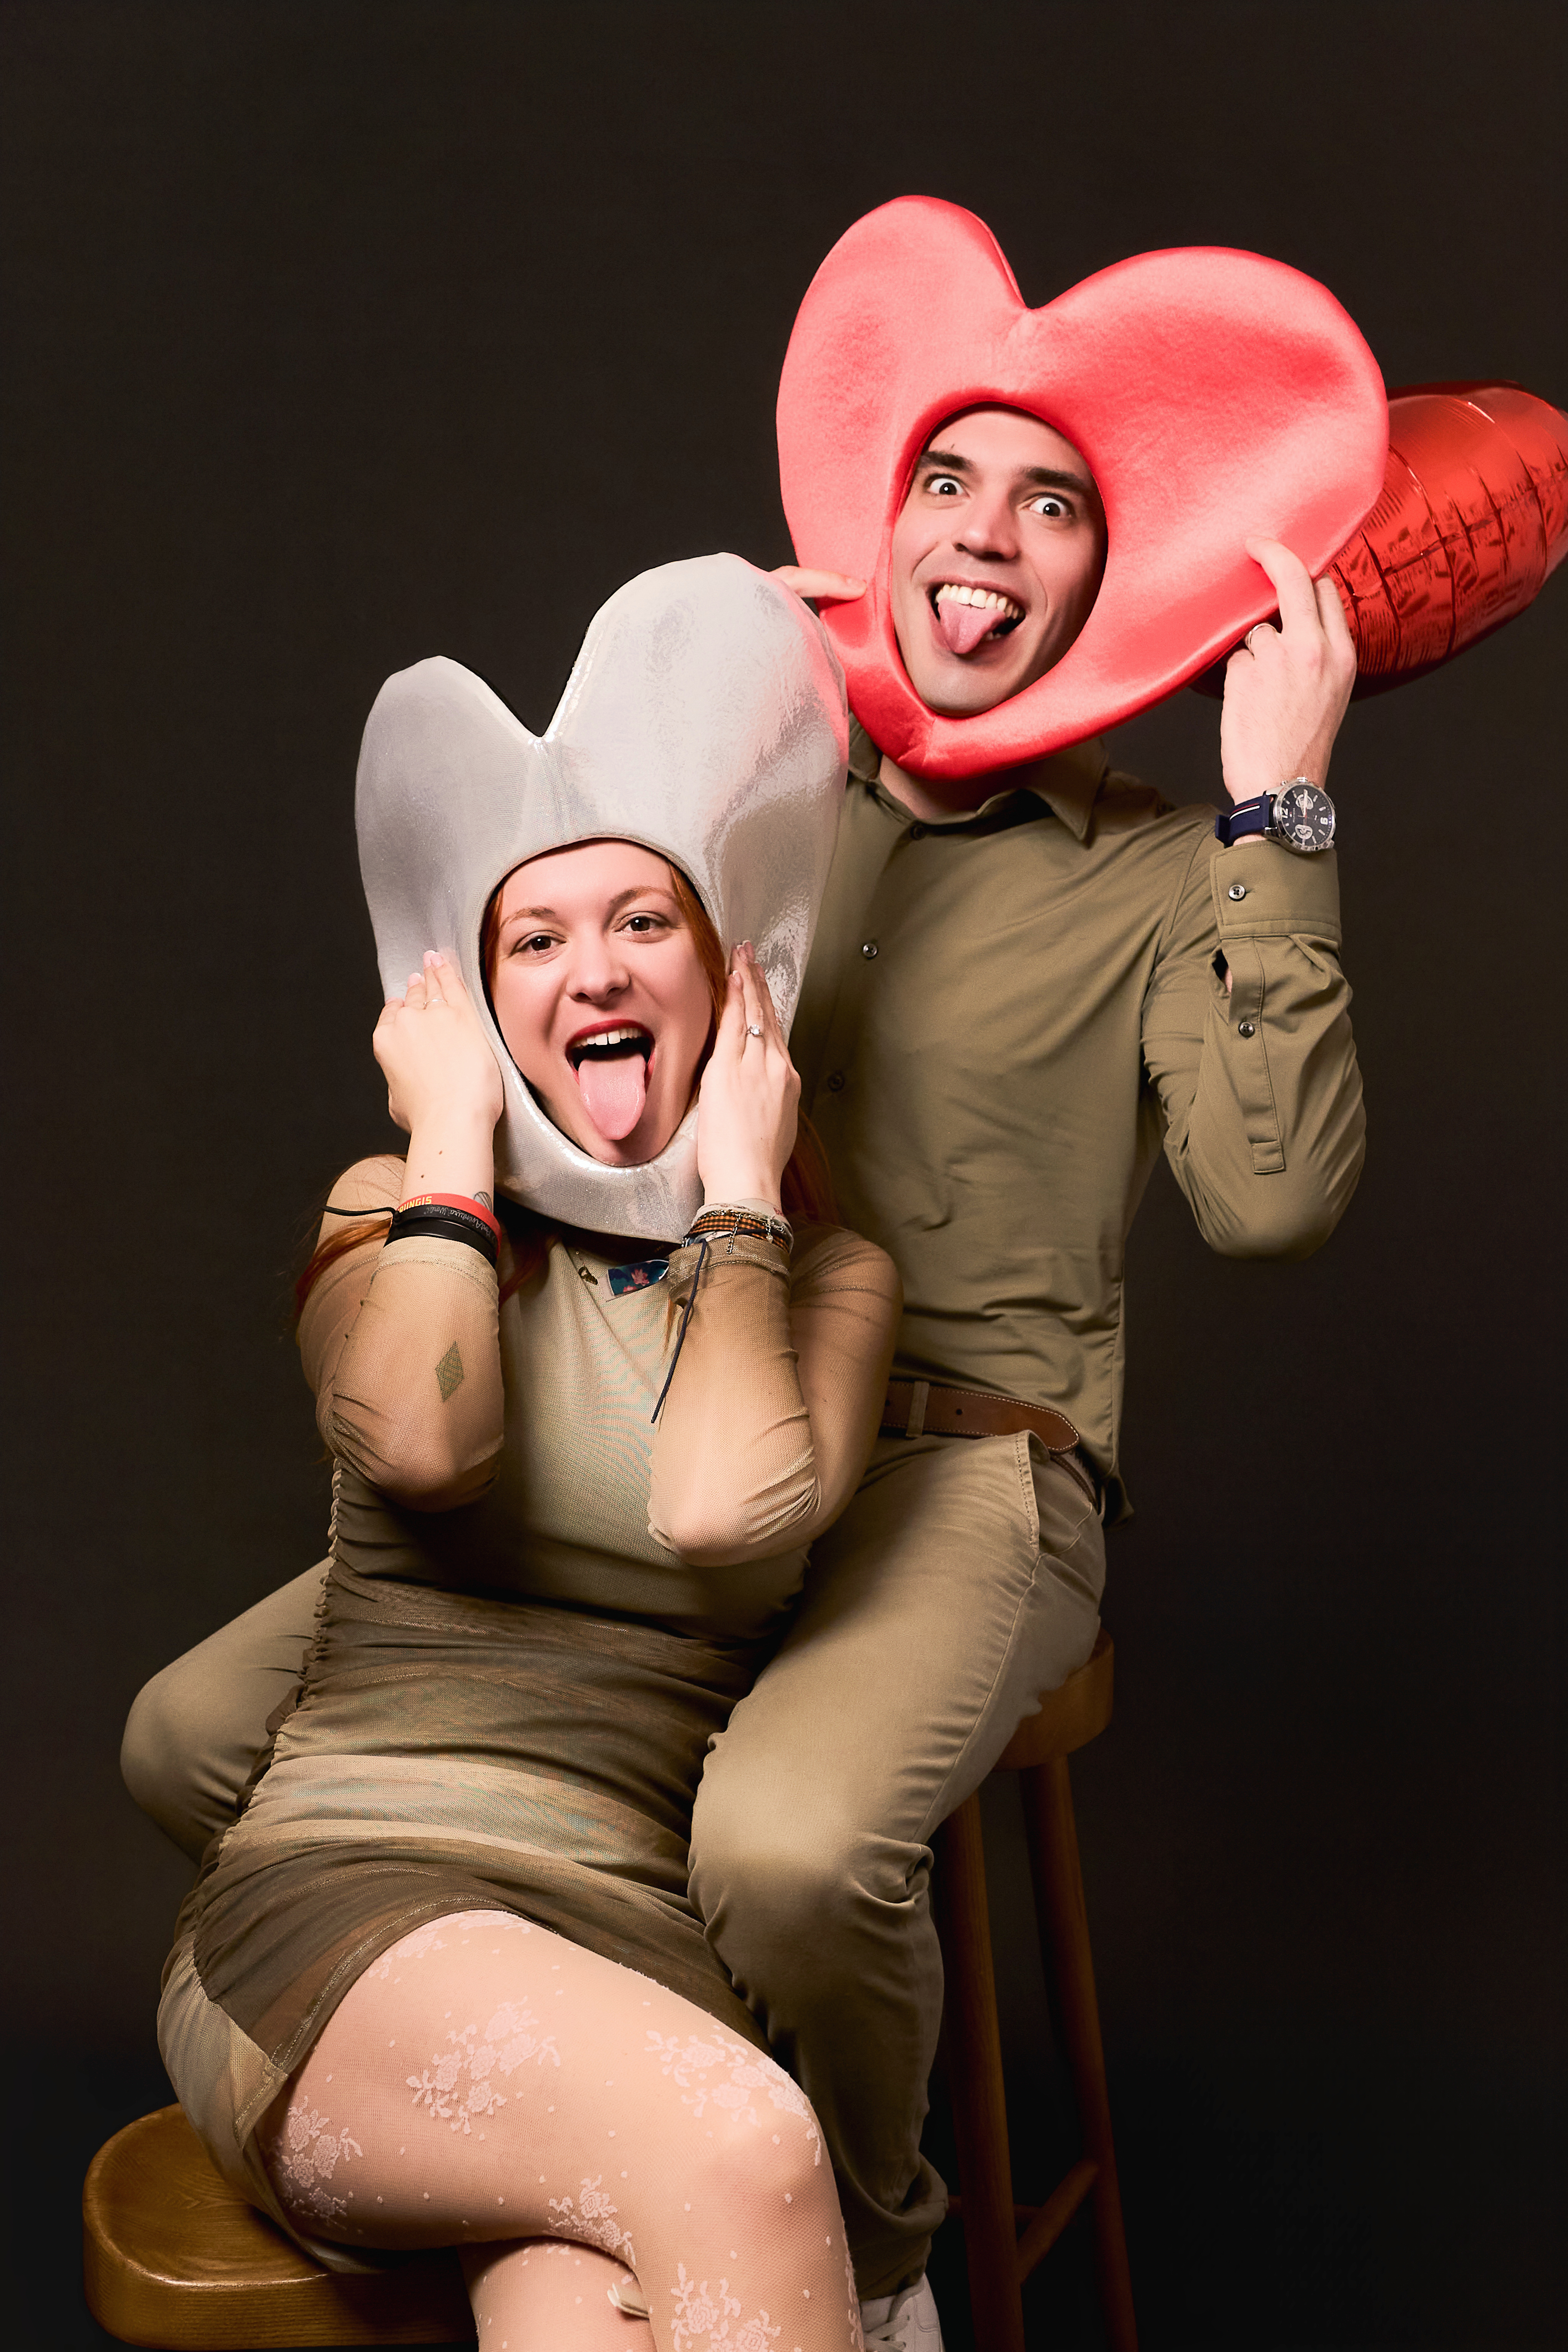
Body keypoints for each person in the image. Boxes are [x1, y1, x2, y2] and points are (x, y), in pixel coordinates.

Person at [128, 203, 1390, 2347]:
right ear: (879, 525)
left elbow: (1273, 1201)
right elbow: (569, 948)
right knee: (189, 1730)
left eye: (1053, 503)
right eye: (944, 484)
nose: (984, 537)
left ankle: (867, 2253)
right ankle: (482, 2074)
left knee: (789, 1848)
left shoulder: (1172, 871)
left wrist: (1283, 818)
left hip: (947, 1454)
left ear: (1118, 570)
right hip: (639, 1384)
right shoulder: (750, 812)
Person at [157, 556, 900, 2352]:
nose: (593, 970)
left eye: (643, 921)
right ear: (483, 1000)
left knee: (595, 2320)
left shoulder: (833, 1274)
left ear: (727, 965)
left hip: (626, 1957)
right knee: (745, 2147)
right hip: (341, 1920)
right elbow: (421, 1441)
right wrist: (447, 1150)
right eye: (534, 939)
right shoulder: (395, 1214)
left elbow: (723, 1510)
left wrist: (738, 1199)